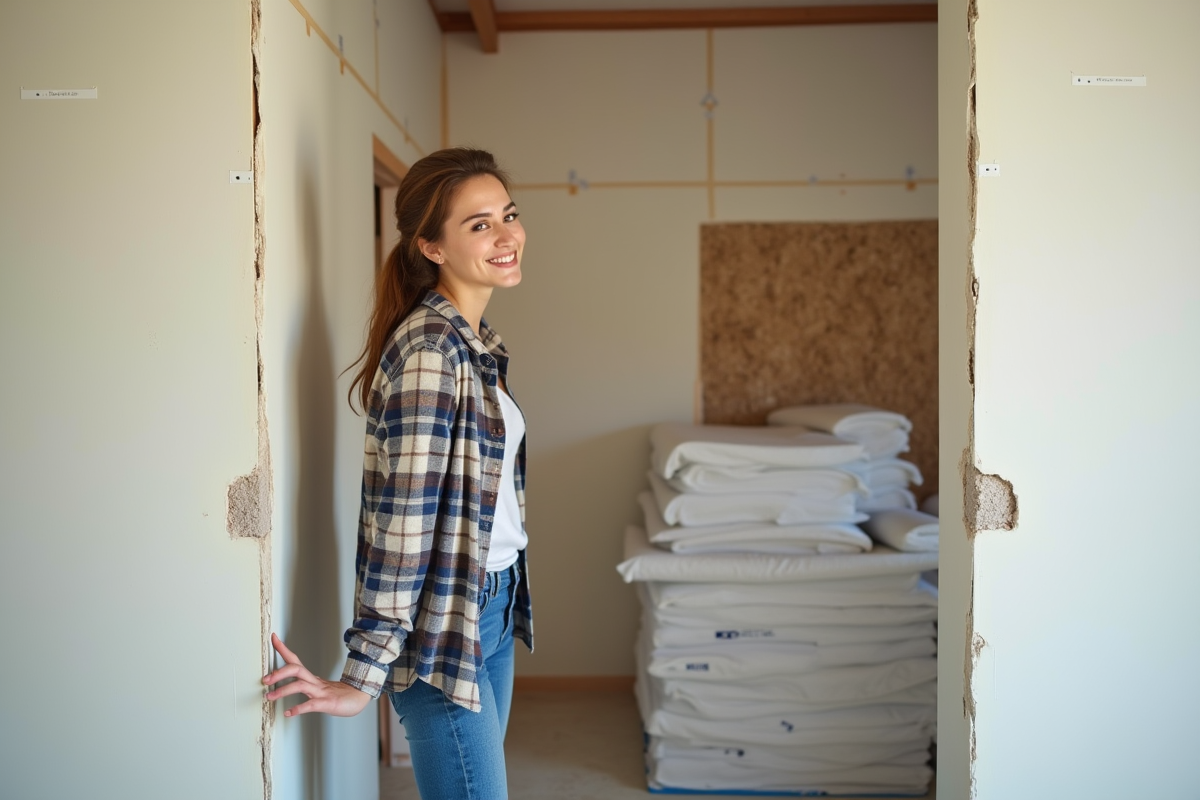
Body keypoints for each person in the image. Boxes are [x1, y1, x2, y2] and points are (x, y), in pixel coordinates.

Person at [262, 147, 534, 800]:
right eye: (479, 224)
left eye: (509, 215)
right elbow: (403, 524)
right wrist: (364, 675)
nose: (507, 235)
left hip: (487, 603)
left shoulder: (474, 342)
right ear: (431, 247)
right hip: (444, 625)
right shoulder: (431, 354)